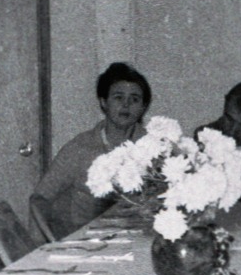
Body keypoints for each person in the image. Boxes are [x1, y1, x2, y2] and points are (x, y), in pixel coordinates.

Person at [30, 62, 151, 237]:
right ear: (103, 102)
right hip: (86, 241)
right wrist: (48, 240)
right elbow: (40, 197)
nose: (126, 105)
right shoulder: (80, 148)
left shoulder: (154, 148)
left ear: (143, 107)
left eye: (134, 99)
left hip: (138, 238)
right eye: (118, 97)